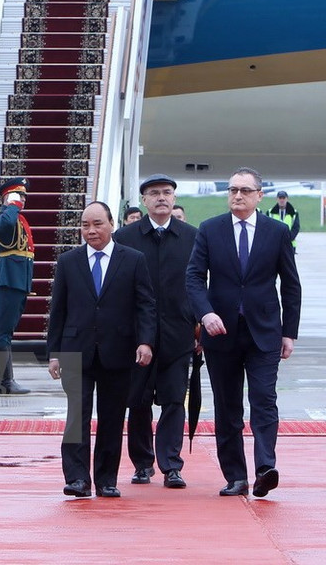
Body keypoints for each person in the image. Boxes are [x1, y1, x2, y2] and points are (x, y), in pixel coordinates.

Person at [185, 167, 301, 498]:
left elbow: (290, 285)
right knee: (228, 405)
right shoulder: (210, 230)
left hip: (264, 332)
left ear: (258, 196)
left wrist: (289, 331)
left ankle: (265, 468)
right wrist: (205, 314)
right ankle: (235, 475)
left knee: (264, 399)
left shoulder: (277, 232)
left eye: (245, 190)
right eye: (233, 189)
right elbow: (194, 278)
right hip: (221, 333)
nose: (237, 195)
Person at [47, 202, 156, 498]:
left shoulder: (133, 260)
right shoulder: (69, 261)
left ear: (111, 224)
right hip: (74, 350)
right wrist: (54, 352)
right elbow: (58, 310)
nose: (91, 231)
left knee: (111, 417)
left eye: (97, 224)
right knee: (76, 418)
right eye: (85, 225)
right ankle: (77, 479)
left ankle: (106, 479)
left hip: (118, 350)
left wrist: (145, 341)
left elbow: (145, 305)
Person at [114, 174, 198, 489]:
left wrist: (200, 324)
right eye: (154, 193)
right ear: (145, 200)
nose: (161, 197)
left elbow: (202, 284)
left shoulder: (192, 237)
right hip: (137, 337)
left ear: (174, 198)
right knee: (138, 400)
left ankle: (171, 465)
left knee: (175, 400)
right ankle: (142, 463)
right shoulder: (125, 237)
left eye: (166, 192)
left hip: (179, 332)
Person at [0, 177, 33, 395]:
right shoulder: (2, 217)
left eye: (23, 196)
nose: (22, 200)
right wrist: (11, 205)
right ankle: (5, 382)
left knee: (7, 333)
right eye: (18, 195)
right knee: (2, 334)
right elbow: (5, 225)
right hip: (8, 279)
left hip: (17, 281)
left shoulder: (18, 219)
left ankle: (7, 380)